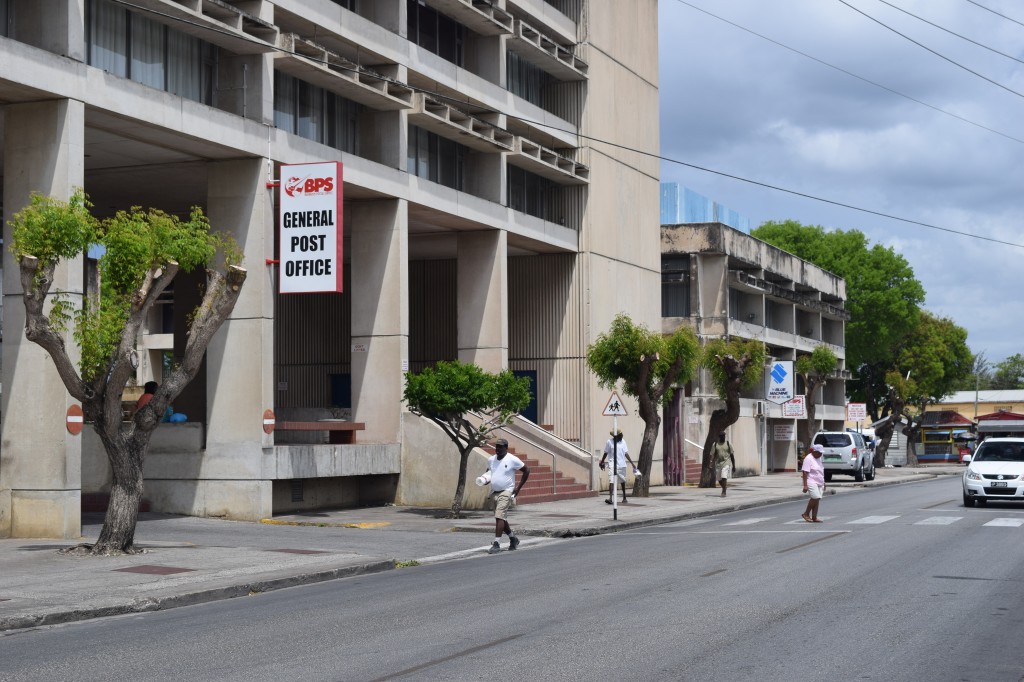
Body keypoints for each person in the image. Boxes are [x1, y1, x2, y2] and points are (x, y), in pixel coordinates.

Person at [486, 438, 530, 554]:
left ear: (506, 448)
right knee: (501, 517)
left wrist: (518, 488)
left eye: (501, 447)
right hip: (494, 492)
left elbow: (526, 470)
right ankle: (513, 538)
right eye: (497, 447)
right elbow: (489, 472)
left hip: (506, 491)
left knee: (499, 516)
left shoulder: (512, 459)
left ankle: (496, 543)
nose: (498, 449)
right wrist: (485, 479)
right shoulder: (491, 459)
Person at [599, 429, 638, 505]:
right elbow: (605, 453)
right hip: (612, 464)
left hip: (621, 464)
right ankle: (610, 498)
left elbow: (626, 453)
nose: (621, 437)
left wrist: (632, 463)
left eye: (622, 435)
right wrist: (602, 461)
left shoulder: (623, 441)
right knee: (611, 480)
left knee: (622, 481)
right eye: (620, 436)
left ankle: (624, 497)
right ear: (615, 436)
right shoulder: (609, 442)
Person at [801, 443, 826, 523]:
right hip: (811, 481)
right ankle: (806, 514)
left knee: (817, 498)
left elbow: (821, 470)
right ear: (814, 451)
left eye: (821, 453)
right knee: (815, 497)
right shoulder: (808, 458)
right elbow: (805, 472)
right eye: (819, 452)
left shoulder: (819, 458)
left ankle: (814, 517)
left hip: (819, 481)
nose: (820, 454)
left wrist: (824, 482)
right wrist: (805, 485)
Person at [713, 431, 736, 497]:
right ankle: (724, 487)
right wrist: (711, 463)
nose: (723, 437)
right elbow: (713, 455)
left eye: (724, 436)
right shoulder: (715, 444)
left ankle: (724, 491)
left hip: (726, 462)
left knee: (724, 476)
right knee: (719, 479)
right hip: (718, 464)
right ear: (719, 437)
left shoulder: (728, 444)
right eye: (721, 436)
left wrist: (734, 466)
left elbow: (732, 456)